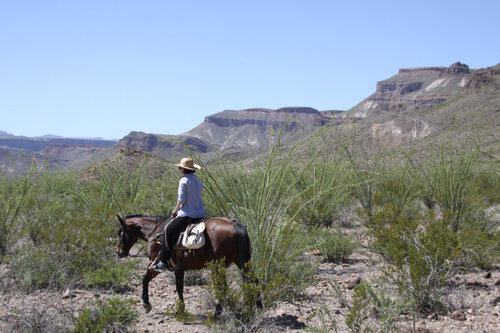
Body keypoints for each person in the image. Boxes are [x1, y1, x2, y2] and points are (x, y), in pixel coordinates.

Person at [152, 157, 205, 272]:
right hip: (200, 214)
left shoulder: (183, 180)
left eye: (180, 168)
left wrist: (175, 211)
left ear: (182, 169)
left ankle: (163, 262)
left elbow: (181, 200)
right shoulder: (198, 181)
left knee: (168, 230)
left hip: (187, 214)